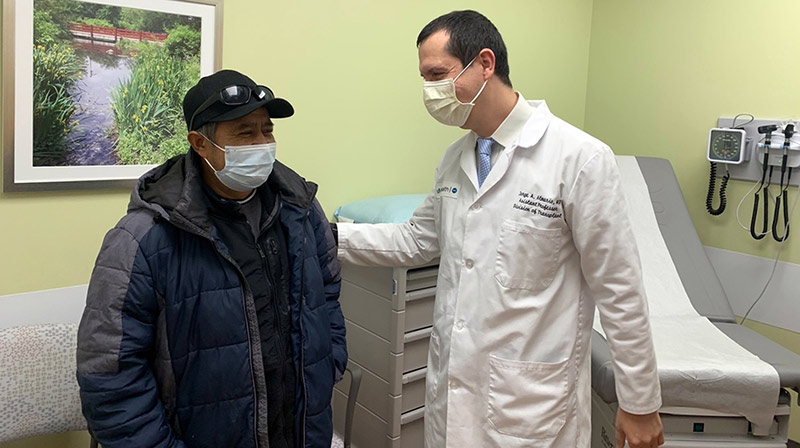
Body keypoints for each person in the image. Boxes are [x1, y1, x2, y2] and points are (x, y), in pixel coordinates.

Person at [334, 10, 664, 448]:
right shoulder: (456, 159)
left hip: (532, 408)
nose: (430, 92)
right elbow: (416, 240)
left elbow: (619, 289)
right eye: (424, 78)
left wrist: (639, 403)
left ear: (485, 64)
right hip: (453, 400)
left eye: (437, 74)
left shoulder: (579, 158)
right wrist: (322, 235)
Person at [76, 69, 347, 448]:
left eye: (266, 130)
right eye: (244, 133)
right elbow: (109, 371)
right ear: (200, 144)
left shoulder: (301, 211)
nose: (262, 143)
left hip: (301, 429)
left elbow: (328, 294)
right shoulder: (142, 238)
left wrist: (328, 363)